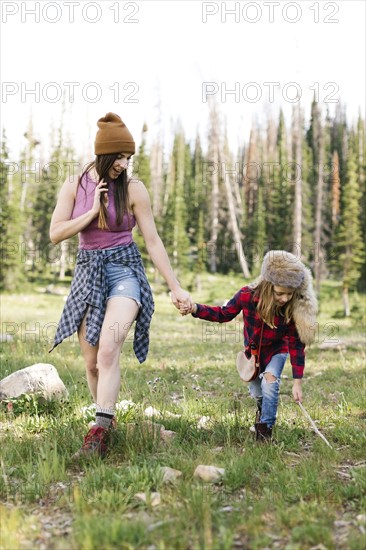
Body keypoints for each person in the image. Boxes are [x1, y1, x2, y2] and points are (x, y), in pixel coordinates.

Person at [49, 112, 191, 457]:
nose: (124, 163)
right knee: (92, 362)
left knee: (111, 346)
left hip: (125, 270)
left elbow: (153, 241)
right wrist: (91, 212)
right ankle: (107, 423)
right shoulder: (75, 183)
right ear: (103, 154)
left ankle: (97, 432)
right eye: (120, 157)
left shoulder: (133, 188)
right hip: (87, 271)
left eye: (129, 157)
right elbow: (55, 234)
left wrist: (175, 286)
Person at [180, 250, 317, 441]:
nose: (285, 298)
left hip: (277, 350)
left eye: (289, 294)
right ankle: (263, 409)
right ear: (268, 285)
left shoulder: (292, 306)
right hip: (253, 353)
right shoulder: (247, 295)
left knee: (270, 383)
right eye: (280, 293)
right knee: (257, 392)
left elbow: (296, 344)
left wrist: (297, 382)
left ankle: (265, 432)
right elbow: (223, 314)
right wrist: (195, 308)